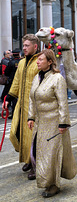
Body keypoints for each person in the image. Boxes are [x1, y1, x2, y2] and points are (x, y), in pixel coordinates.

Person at [27, 49, 77, 198]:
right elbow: (32, 98)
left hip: (54, 122)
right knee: (39, 153)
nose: (37, 62)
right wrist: (31, 117)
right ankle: (46, 181)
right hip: (40, 123)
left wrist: (63, 123)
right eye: (37, 60)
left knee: (51, 155)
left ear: (50, 62)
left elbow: (63, 103)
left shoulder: (57, 78)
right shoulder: (37, 77)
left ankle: (53, 185)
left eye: (41, 60)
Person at [2, 34, 40, 180]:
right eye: (23, 45)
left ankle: (36, 165)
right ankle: (28, 158)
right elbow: (16, 82)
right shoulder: (22, 62)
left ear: (35, 47)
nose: (24, 48)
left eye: (26, 46)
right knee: (15, 133)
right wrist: (8, 98)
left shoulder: (39, 62)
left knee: (32, 136)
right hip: (20, 104)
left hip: (34, 106)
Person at [2, 48, 21, 119]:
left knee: (13, 99)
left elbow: (6, 72)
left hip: (12, 82)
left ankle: (14, 114)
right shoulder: (22, 61)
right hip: (20, 82)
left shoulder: (11, 62)